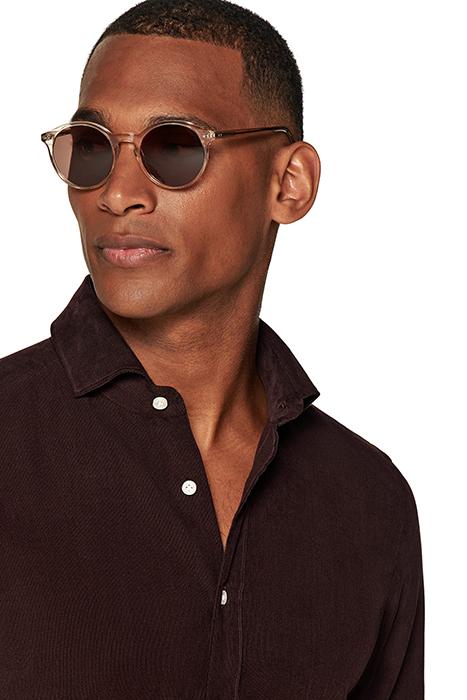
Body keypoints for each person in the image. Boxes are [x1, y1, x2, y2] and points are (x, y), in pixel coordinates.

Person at [0, 0, 424, 697]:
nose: (117, 194)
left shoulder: (368, 503)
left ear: (288, 184)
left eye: (174, 148)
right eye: (92, 147)